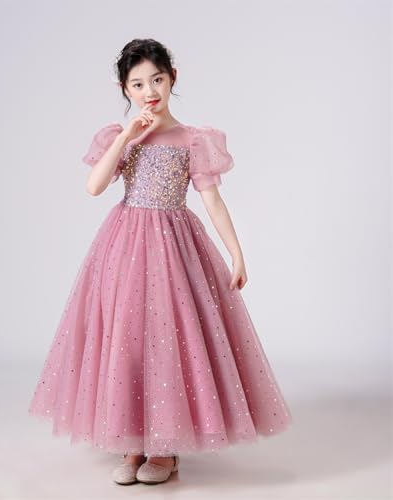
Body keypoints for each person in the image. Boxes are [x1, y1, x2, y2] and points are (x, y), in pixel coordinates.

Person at [28, 38, 293, 486]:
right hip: (124, 246)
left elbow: (212, 200)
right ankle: (132, 442)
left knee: (167, 337)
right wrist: (127, 136)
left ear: (173, 78)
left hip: (173, 247)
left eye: (157, 79)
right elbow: (94, 186)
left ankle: (165, 449)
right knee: (126, 336)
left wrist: (236, 252)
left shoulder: (193, 139)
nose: (149, 91)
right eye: (138, 84)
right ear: (124, 89)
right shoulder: (122, 136)